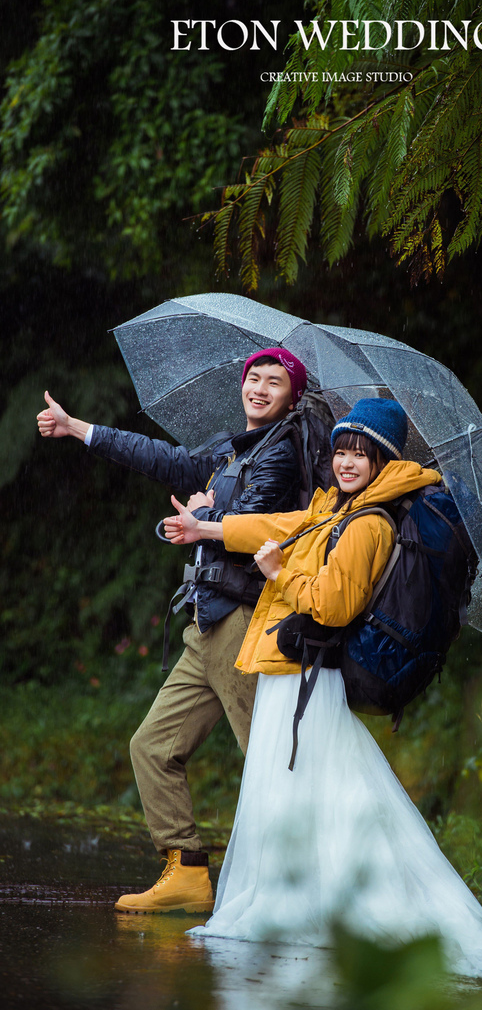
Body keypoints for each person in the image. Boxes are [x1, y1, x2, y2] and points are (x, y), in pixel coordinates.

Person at [162, 398, 482, 977]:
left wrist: (280, 573)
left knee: (325, 796)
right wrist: (209, 528)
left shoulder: (369, 523)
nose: (347, 461)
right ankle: (314, 901)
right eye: (343, 449)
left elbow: (332, 604)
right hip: (289, 677)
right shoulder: (336, 508)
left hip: (309, 679)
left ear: (384, 461)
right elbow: (282, 525)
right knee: (317, 797)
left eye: (362, 453)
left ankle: (344, 909)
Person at [36, 348, 308, 914]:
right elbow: (161, 457)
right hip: (205, 622)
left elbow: (255, 523)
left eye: (273, 381)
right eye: (252, 377)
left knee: (267, 759)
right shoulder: (232, 449)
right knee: (152, 746)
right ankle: (186, 870)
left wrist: (205, 520)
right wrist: (76, 428)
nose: (258, 387)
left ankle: (301, 881)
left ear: (292, 395)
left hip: (243, 623)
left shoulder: (285, 451)